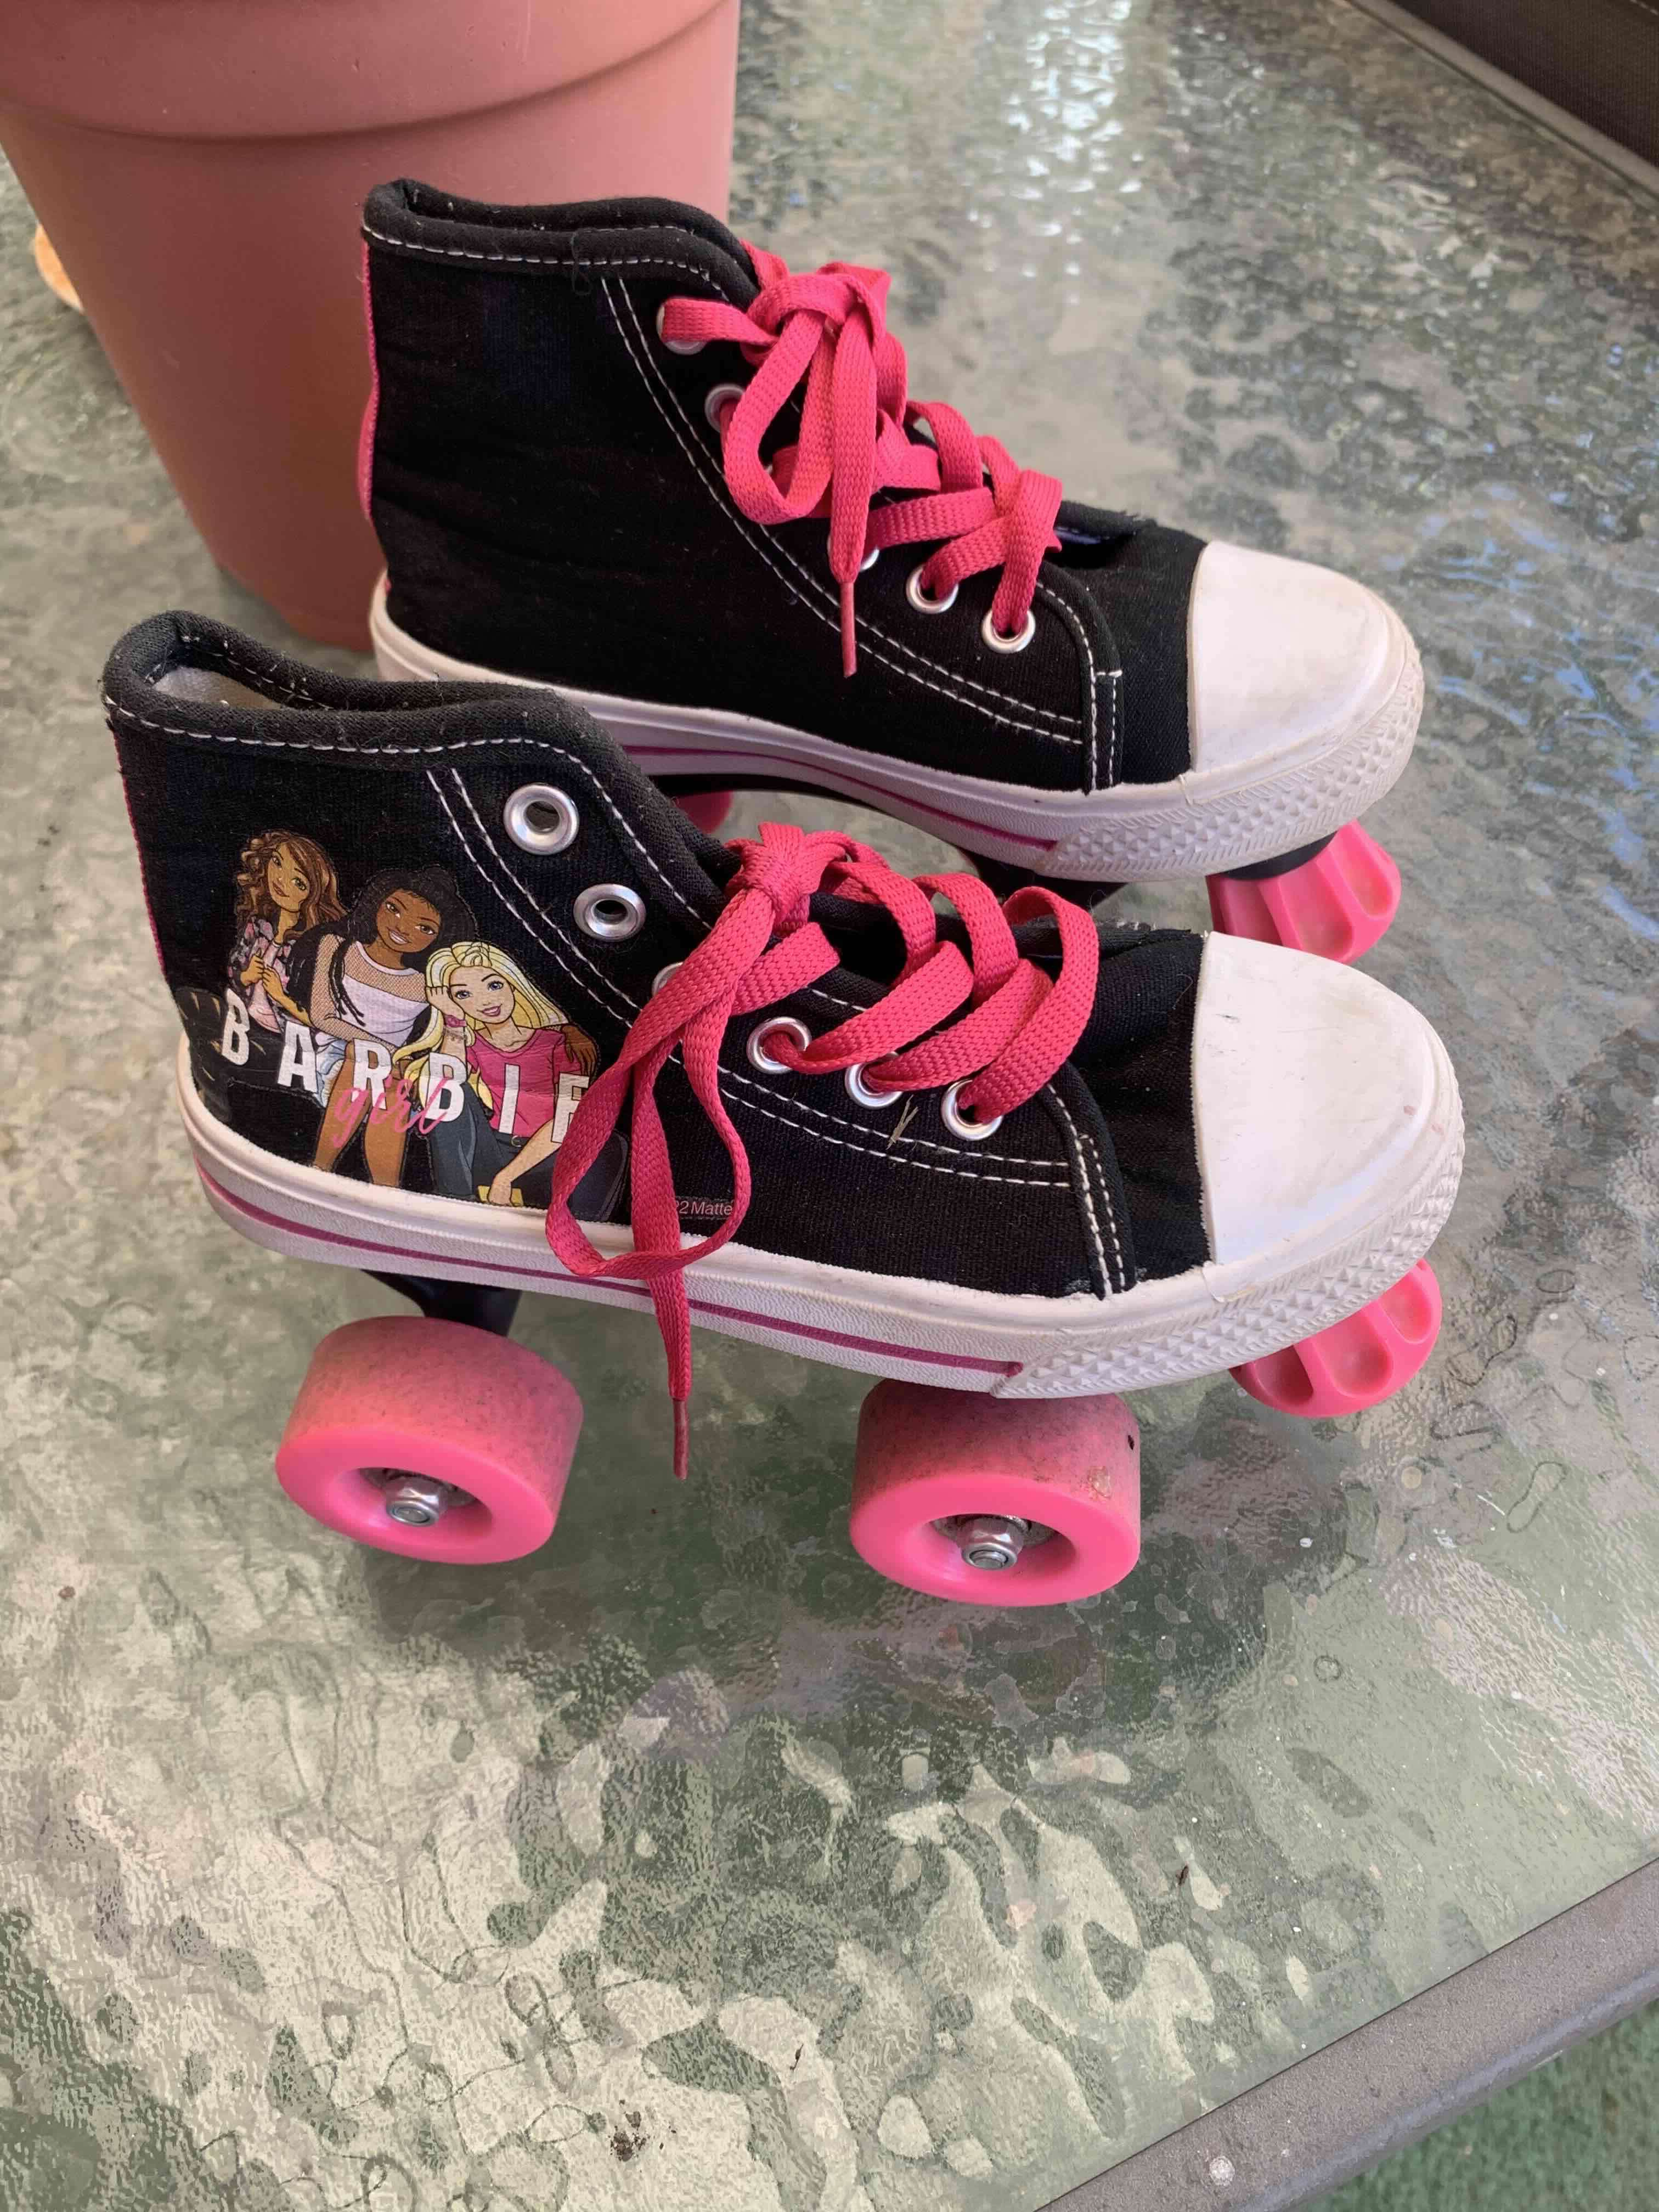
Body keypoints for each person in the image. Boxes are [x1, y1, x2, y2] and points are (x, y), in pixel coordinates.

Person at [398, 941, 601, 1206]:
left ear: (513, 984)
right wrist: (454, 1020)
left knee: (608, 1145)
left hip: (544, 1156)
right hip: (492, 1148)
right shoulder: (473, 1045)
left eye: (494, 985)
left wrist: (506, 1177)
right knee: (449, 1089)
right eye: (463, 994)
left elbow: (566, 1121)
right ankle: (454, 1199)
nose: (485, 1001)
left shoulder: (559, 1044)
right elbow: (443, 1086)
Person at [308, 865, 476, 1183]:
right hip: (332, 1053)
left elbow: (442, 1035)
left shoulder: (423, 983)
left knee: (394, 1083)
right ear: (377, 902)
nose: (403, 927)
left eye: (424, 928)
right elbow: (322, 1016)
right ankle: (319, 1169)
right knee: (367, 1059)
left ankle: (386, 1190)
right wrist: (389, 1052)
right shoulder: (337, 947)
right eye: (394, 909)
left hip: (394, 1071)